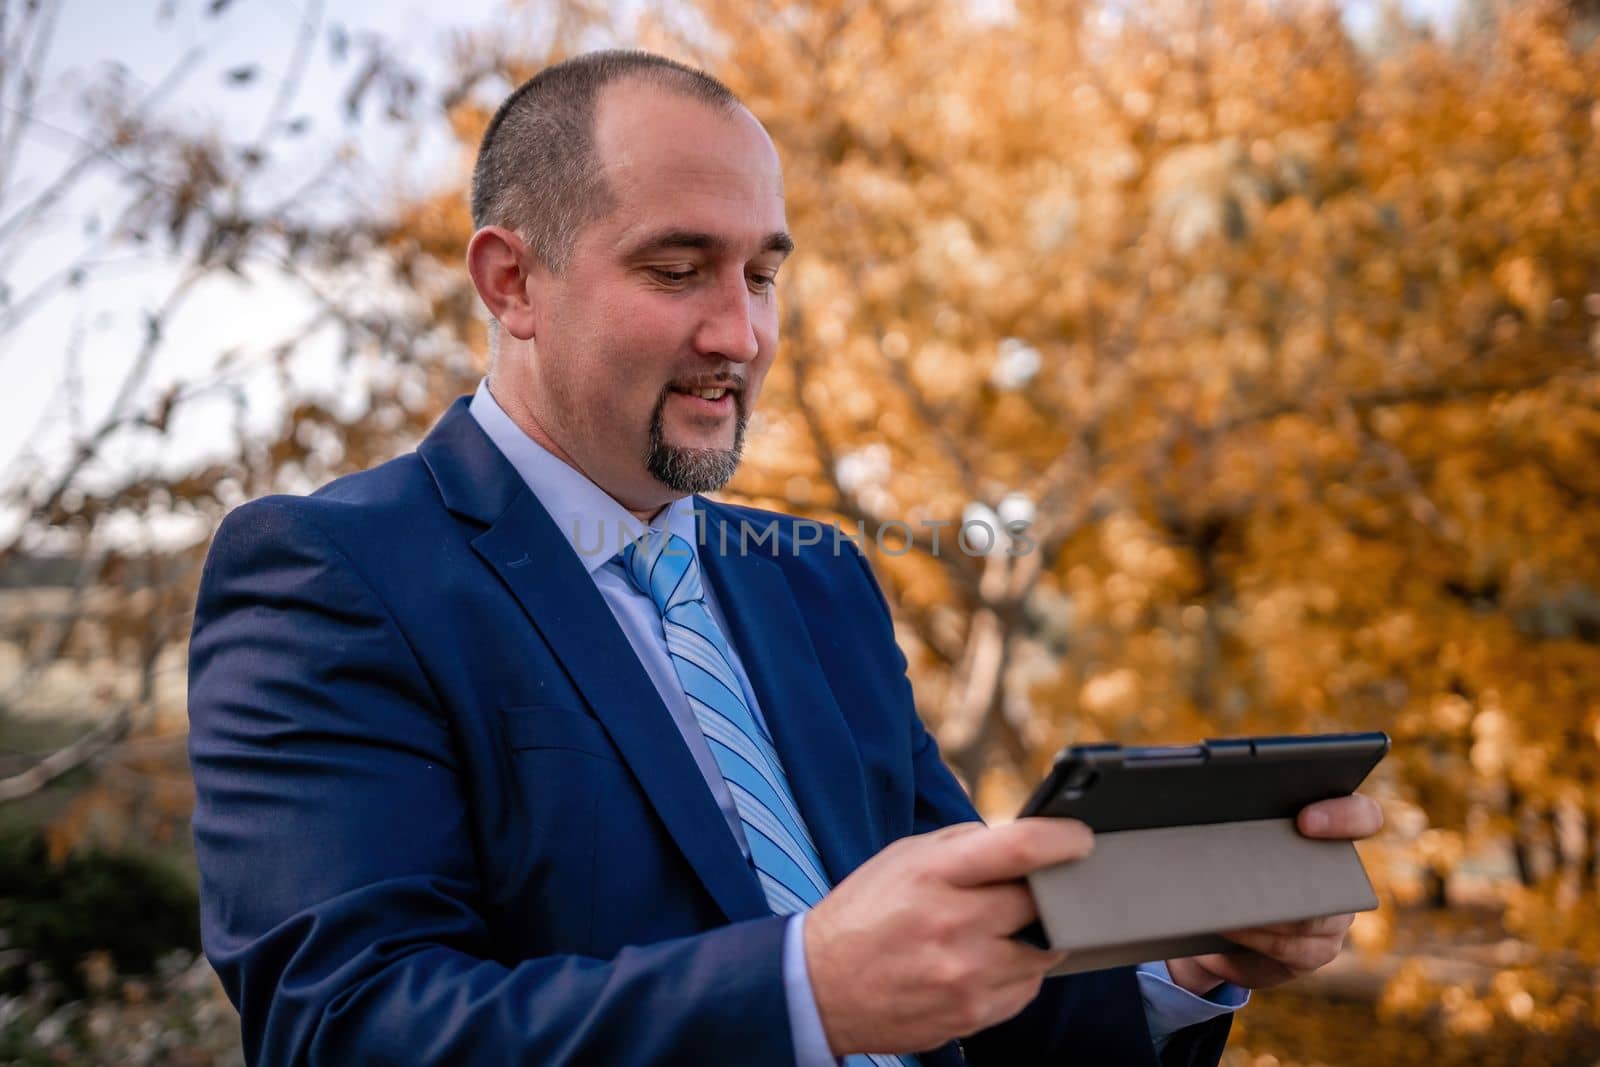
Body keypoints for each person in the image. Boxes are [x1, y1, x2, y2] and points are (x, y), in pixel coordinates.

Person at [186, 50, 1383, 1067]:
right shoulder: (329, 573)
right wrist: (801, 988)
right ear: (513, 283)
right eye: (676, 269)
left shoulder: (815, 579)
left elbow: (970, 979)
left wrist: (1171, 961)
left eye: (762, 274)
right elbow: (343, 1027)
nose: (741, 336)